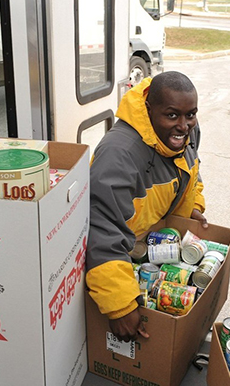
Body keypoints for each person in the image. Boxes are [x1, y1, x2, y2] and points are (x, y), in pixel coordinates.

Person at [86, 71, 208, 343]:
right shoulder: (119, 154)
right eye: (173, 115)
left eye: (191, 114)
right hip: (118, 258)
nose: (184, 125)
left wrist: (193, 205)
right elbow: (99, 228)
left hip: (154, 245)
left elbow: (192, 170)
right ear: (149, 109)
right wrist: (120, 305)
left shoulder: (185, 132)